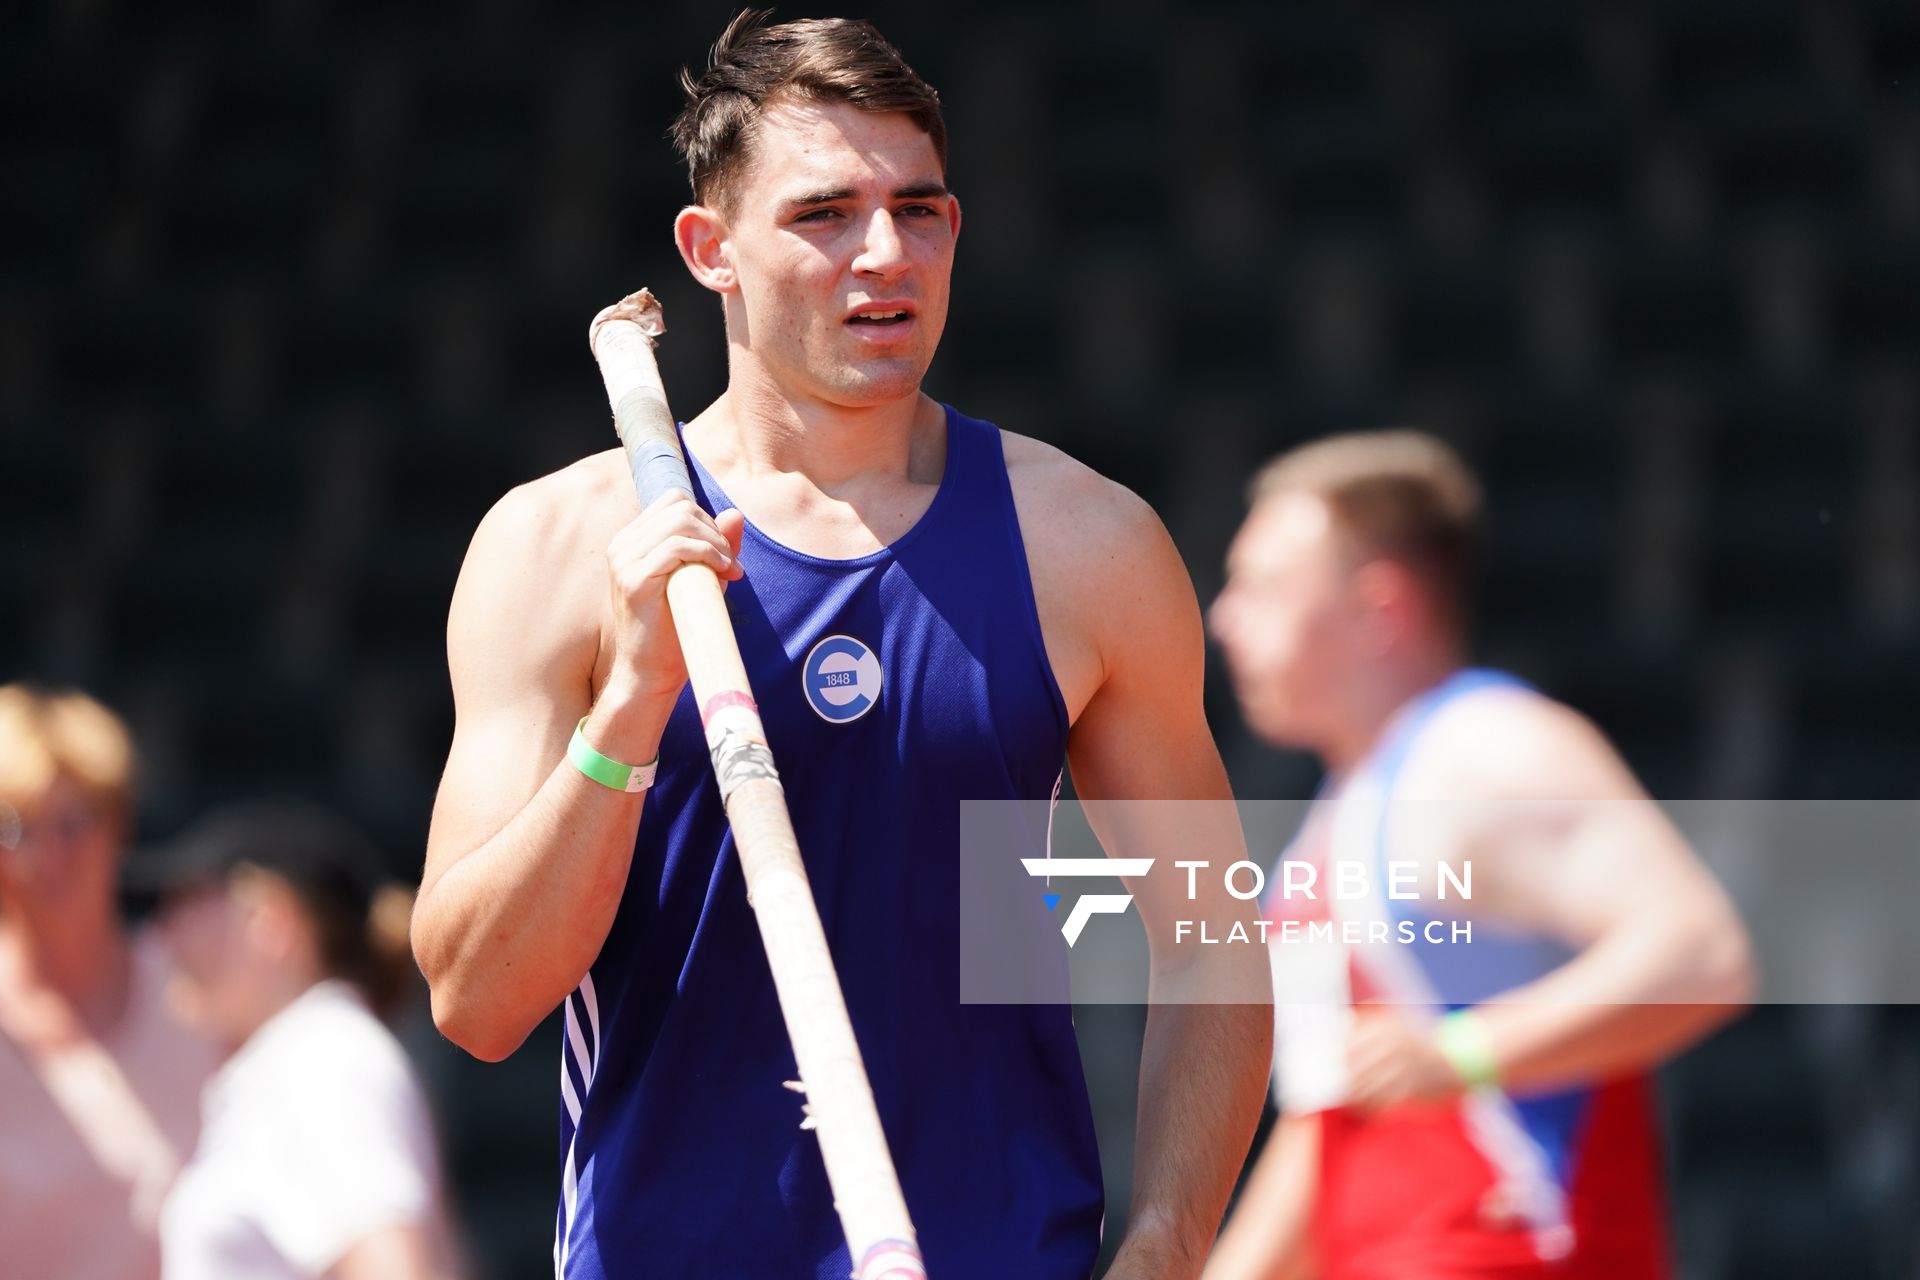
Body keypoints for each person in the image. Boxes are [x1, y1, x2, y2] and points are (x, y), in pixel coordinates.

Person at [409, 11, 1269, 1279]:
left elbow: (1214, 936)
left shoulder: (1086, 544)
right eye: (824, 215)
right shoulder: (558, 546)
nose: (886, 253)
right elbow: (477, 1002)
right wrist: (634, 703)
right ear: (712, 250)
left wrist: (1169, 1237)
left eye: (918, 210)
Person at [1202, 431, 1754, 1279]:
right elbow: (1329, 1124)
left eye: (1264, 587)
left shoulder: (1486, 750)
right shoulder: (1337, 817)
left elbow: (1702, 955)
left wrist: (1461, 1053)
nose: (1224, 616)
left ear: (1378, 610)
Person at [148, 801, 459, 1280]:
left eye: (188, 902)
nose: (164, 932)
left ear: (269, 921)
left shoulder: (323, 1058)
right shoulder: (311, 1055)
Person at [0, 683, 216, 1280]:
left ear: (119, 823)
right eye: (16, 828)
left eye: (71, 824)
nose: (47, 856)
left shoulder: (200, 995)